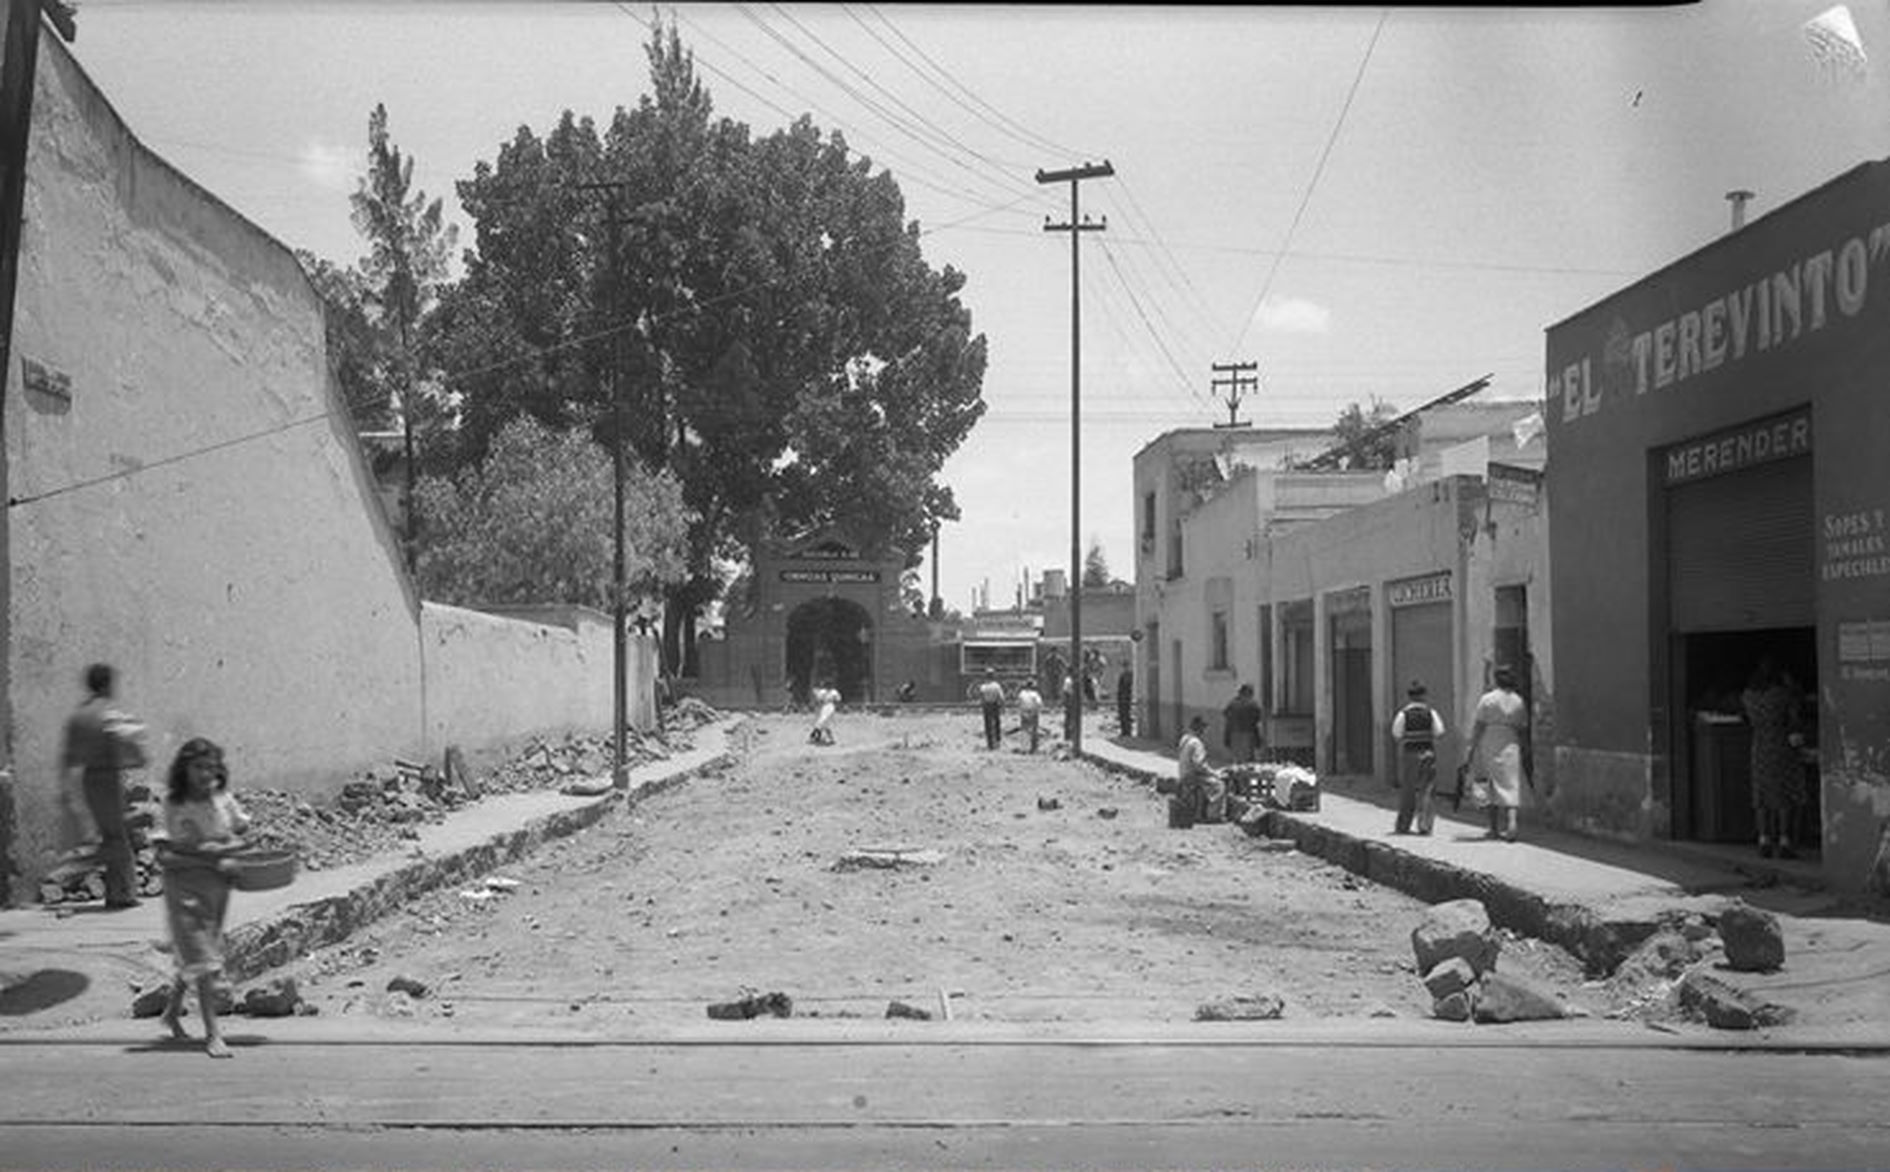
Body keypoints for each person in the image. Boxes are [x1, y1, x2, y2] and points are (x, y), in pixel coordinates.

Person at [156, 738, 250, 1058]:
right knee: (206, 959)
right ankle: (213, 1034)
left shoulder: (223, 800)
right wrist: (209, 856)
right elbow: (165, 857)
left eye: (211, 766)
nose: (206, 773)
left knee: (197, 955)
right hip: (184, 889)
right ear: (184, 769)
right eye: (198, 766)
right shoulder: (174, 804)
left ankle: (170, 1013)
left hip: (217, 889)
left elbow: (239, 834)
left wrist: (229, 851)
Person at [60, 663, 147, 909]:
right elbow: (132, 749)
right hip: (108, 778)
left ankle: (117, 893)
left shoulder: (79, 716)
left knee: (112, 835)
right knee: (117, 838)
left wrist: (65, 790)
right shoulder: (108, 714)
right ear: (108, 684)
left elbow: (68, 757)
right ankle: (119, 892)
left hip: (87, 778)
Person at [1742, 656, 1808, 859]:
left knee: (1761, 795)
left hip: (1759, 746)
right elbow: (1795, 717)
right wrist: (1793, 687)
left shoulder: (1748, 696)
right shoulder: (1783, 695)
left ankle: (1764, 840)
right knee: (1784, 795)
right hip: (1782, 747)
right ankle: (1785, 841)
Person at [1466, 665, 1530, 842]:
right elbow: (1523, 727)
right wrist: (1524, 748)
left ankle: (1493, 828)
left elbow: (1479, 724)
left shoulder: (1487, 699)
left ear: (1496, 679)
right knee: (1511, 783)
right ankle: (1511, 822)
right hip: (1511, 742)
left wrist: (1472, 746)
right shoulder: (1518, 700)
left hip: (1489, 741)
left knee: (1490, 785)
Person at [1390, 679, 1446, 836]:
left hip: (1410, 754)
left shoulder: (1403, 714)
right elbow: (1440, 732)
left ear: (1409, 696)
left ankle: (1403, 826)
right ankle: (1425, 825)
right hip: (1428, 752)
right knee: (1427, 789)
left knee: (1408, 790)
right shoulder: (1431, 713)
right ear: (1424, 695)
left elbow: (1396, 734)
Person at [1176, 714, 1226, 824]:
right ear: (1200, 729)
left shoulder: (1184, 738)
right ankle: (1213, 815)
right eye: (1203, 728)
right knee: (1219, 785)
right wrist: (1214, 773)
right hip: (1191, 776)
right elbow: (1199, 765)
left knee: (1211, 781)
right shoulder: (1196, 743)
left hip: (1183, 773)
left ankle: (1202, 811)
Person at [1222, 683, 1264, 763]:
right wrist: (1258, 739)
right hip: (1248, 734)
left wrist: (1226, 737)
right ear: (1247, 692)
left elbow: (1227, 718)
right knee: (1248, 759)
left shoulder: (1232, 703)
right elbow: (1257, 720)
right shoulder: (1252, 704)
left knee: (1237, 758)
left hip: (1234, 734)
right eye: (1251, 692)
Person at [977, 669, 1005, 750]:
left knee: (988, 724)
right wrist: (1003, 707)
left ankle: (990, 744)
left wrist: (982, 705)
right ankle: (997, 742)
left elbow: (981, 698)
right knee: (996, 723)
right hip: (995, 705)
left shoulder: (983, 686)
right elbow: (1002, 697)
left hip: (987, 706)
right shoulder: (997, 686)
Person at [1016, 679, 1044, 753]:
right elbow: (1039, 704)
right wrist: (1037, 710)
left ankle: (1024, 748)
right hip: (1033, 713)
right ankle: (1033, 748)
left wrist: (1021, 710)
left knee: (1024, 730)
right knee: (1034, 730)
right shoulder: (1035, 694)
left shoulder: (1021, 693)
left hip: (1024, 713)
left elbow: (1018, 703)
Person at [809, 681, 839, 745]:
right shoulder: (823, 692)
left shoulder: (834, 692)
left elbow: (838, 699)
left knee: (823, 720)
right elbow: (818, 699)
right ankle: (830, 738)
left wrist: (834, 699)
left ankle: (814, 733)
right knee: (825, 724)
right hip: (824, 706)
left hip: (830, 706)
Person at [1116, 666, 1134, 738]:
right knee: (1123, 715)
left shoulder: (1127, 675)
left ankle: (1126, 731)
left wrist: (1123, 696)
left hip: (1125, 698)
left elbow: (1125, 687)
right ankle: (1125, 731)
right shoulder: (1125, 675)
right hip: (1123, 698)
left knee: (1125, 715)